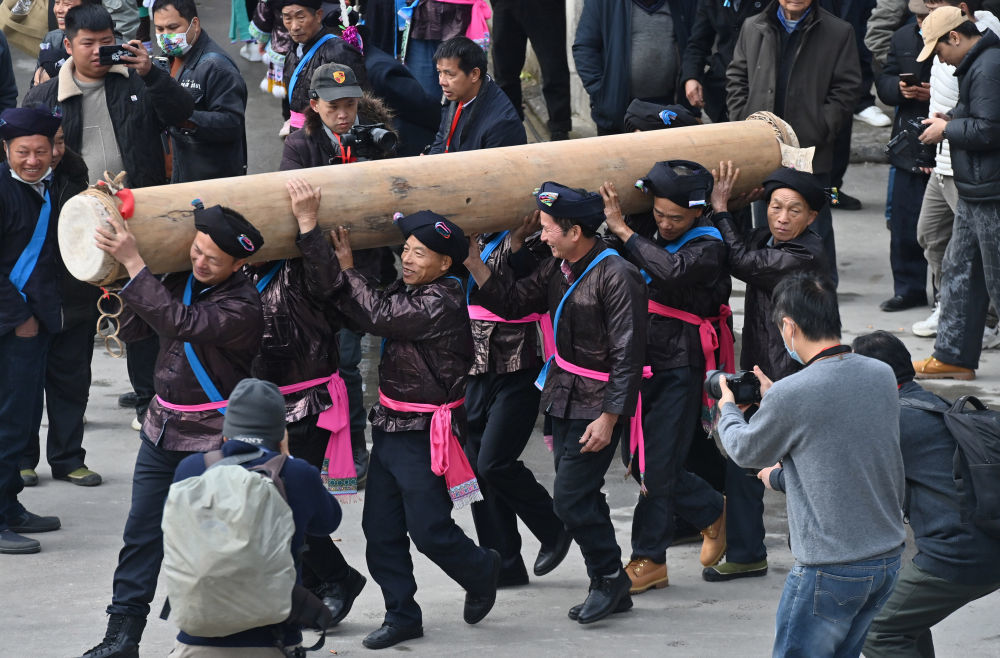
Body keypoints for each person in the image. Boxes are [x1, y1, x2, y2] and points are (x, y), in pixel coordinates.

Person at [295, 194, 501, 650]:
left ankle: (480, 568)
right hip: (389, 425)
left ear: (446, 263)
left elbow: (378, 315)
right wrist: (327, 255)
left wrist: (349, 271)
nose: (407, 258)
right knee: (381, 530)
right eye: (405, 248)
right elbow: (356, 308)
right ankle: (402, 614)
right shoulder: (410, 290)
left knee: (429, 529)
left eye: (419, 252)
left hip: (425, 434)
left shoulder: (441, 301)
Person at [80, 205, 264, 658]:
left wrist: (136, 265)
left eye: (213, 261)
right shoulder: (179, 280)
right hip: (161, 431)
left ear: (240, 265)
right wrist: (114, 281)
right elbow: (138, 327)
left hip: (212, 442)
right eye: (197, 251)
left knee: (214, 549)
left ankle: (252, 638)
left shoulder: (243, 305)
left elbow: (181, 324)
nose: (200, 263)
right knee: (140, 534)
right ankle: (122, 636)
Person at [466, 182, 647, 625]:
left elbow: (629, 356)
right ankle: (608, 583)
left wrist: (609, 418)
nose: (542, 236)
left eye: (549, 229)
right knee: (580, 493)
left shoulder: (617, 275)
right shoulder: (557, 266)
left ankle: (608, 578)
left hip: (598, 403)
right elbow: (511, 302)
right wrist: (473, 260)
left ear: (577, 231)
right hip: (564, 393)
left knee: (568, 499)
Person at [24, 3, 196, 433]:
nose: (99, 52)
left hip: (137, 217)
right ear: (68, 45)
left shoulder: (136, 81)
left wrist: (154, 74)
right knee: (77, 321)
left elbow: (181, 114)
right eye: (89, 44)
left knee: (143, 309)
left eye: (107, 43)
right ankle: (69, 414)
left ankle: (148, 403)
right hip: (74, 225)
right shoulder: (47, 97)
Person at [717, 273, 905, 657]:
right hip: (886, 559)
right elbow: (839, 436)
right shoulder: (880, 374)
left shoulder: (795, 393)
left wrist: (726, 409)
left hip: (831, 567)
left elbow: (744, 451)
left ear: (788, 325)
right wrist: (777, 398)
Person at [598, 162, 729, 595]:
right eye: (659, 214)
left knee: (655, 466)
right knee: (637, 460)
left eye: (676, 217)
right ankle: (710, 507)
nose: (666, 224)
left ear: (698, 212)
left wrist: (624, 231)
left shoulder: (709, 245)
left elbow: (670, 272)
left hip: (680, 363)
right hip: (640, 356)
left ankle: (649, 559)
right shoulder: (648, 228)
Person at [705, 167, 829, 582]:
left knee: (800, 469)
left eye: (794, 210)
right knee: (744, 463)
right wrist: (736, 204)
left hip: (795, 376)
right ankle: (746, 553)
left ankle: (816, 555)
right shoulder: (769, 238)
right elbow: (737, 244)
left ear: (812, 217)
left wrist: (722, 209)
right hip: (761, 370)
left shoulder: (805, 253)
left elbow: (740, 259)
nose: (782, 217)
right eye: (775, 206)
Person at [169, 378, 342, 657]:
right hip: (274, 640)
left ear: (226, 433)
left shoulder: (190, 469)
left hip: (197, 638)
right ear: (281, 433)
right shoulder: (298, 474)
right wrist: (287, 459)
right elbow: (328, 522)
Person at [852, 331, 1000, 657]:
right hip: (986, 544)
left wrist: (776, 476)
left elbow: (842, 479)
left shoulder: (892, 420)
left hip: (958, 557)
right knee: (902, 619)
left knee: (875, 629)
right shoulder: (931, 405)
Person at [462, 222, 570, 589]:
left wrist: (519, 243)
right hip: (472, 364)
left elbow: (529, 292)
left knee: (494, 462)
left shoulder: (544, 238)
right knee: (477, 469)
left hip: (519, 361)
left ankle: (553, 526)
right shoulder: (470, 234)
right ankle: (504, 561)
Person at [726, 0, 861, 285]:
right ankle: (768, 310)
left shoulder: (838, 31)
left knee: (816, 231)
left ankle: (820, 311)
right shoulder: (754, 26)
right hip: (763, 152)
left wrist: (821, 127)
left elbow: (847, 90)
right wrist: (744, 122)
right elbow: (737, 78)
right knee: (768, 229)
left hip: (810, 152)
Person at [912, 6, 1000, 380]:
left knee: (992, 279)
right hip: (975, 189)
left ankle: (954, 355)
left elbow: (989, 130)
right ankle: (953, 356)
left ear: (955, 36)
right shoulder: (980, 64)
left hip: (990, 191)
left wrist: (946, 130)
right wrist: (949, 120)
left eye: (939, 50)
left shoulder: (990, 65)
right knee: (959, 270)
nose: (939, 60)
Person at [21, 125, 102, 489]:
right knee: (23, 388)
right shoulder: (10, 188)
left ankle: (68, 459)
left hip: (75, 303)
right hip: (27, 310)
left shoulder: (73, 177)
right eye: (37, 146)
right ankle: (22, 460)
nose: (48, 154)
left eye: (57, 143)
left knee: (72, 384)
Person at [0, 106, 65, 556]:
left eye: (41, 151)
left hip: (38, 321)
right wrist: (19, 319)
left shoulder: (50, 186)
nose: (32, 160)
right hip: (11, 327)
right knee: (6, 424)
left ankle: (10, 505)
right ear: (5, 150)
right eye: (23, 152)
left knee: (22, 422)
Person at [874, 0, 933, 313]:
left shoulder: (961, 38)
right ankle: (909, 288)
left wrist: (933, 92)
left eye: (930, 16)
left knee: (941, 229)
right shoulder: (902, 37)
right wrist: (898, 89)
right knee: (903, 224)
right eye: (920, 17)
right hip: (909, 144)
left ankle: (943, 293)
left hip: (945, 145)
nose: (924, 23)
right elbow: (883, 81)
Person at [151, 0, 248, 182]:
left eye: (172, 27)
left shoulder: (217, 67)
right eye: (159, 29)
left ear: (194, 24)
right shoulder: (164, 60)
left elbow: (232, 124)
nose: (166, 36)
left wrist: (184, 119)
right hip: (174, 175)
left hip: (207, 180)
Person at [573, 0, 696, 135]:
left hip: (669, 112)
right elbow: (585, 48)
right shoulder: (603, 3)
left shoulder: (684, 4)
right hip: (618, 114)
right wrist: (603, 95)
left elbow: (697, 45)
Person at [428, 36, 526, 154]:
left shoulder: (501, 125)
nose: (442, 82)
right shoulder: (456, 93)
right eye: (440, 72)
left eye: (450, 74)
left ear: (474, 74)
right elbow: (441, 139)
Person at [490, 0, 572, 140]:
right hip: (505, 5)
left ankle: (560, 129)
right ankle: (510, 127)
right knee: (504, 71)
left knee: (553, 68)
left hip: (545, 5)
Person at [281, 0, 366, 132]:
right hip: (299, 136)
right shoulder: (293, 51)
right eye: (287, 18)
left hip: (328, 138)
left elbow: (359, 102)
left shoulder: (338, 52)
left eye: (301, 17)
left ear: (318, 15)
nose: (294, 27)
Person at [682, 0, 766, 123]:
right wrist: (691, 77)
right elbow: (698, 43)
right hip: (721, 89)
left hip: (758, 85)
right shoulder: (710, 3)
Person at [34, 0, 103, 87]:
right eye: (57, 2)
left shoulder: (108, 45)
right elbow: (34, 87)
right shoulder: (51, 38)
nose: (58, 10)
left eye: (67, 4)